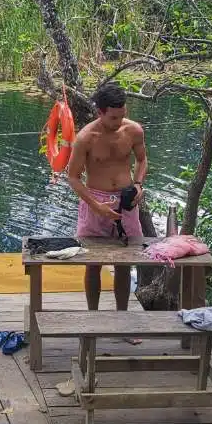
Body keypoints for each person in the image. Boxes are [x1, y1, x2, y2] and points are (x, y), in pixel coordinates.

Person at [65, 81, 148, 311]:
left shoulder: (134, 130)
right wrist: (96, 206)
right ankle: (94, 316)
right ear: (100, 112)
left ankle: (121, 317)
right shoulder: (86, 137)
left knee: (124, 264)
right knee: (93, 264)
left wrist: (139, 185)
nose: (119, 122)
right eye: (113, 118)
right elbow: (72, 176)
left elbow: (142, 160)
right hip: (95, 202)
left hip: (126, 201)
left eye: (122, 115)